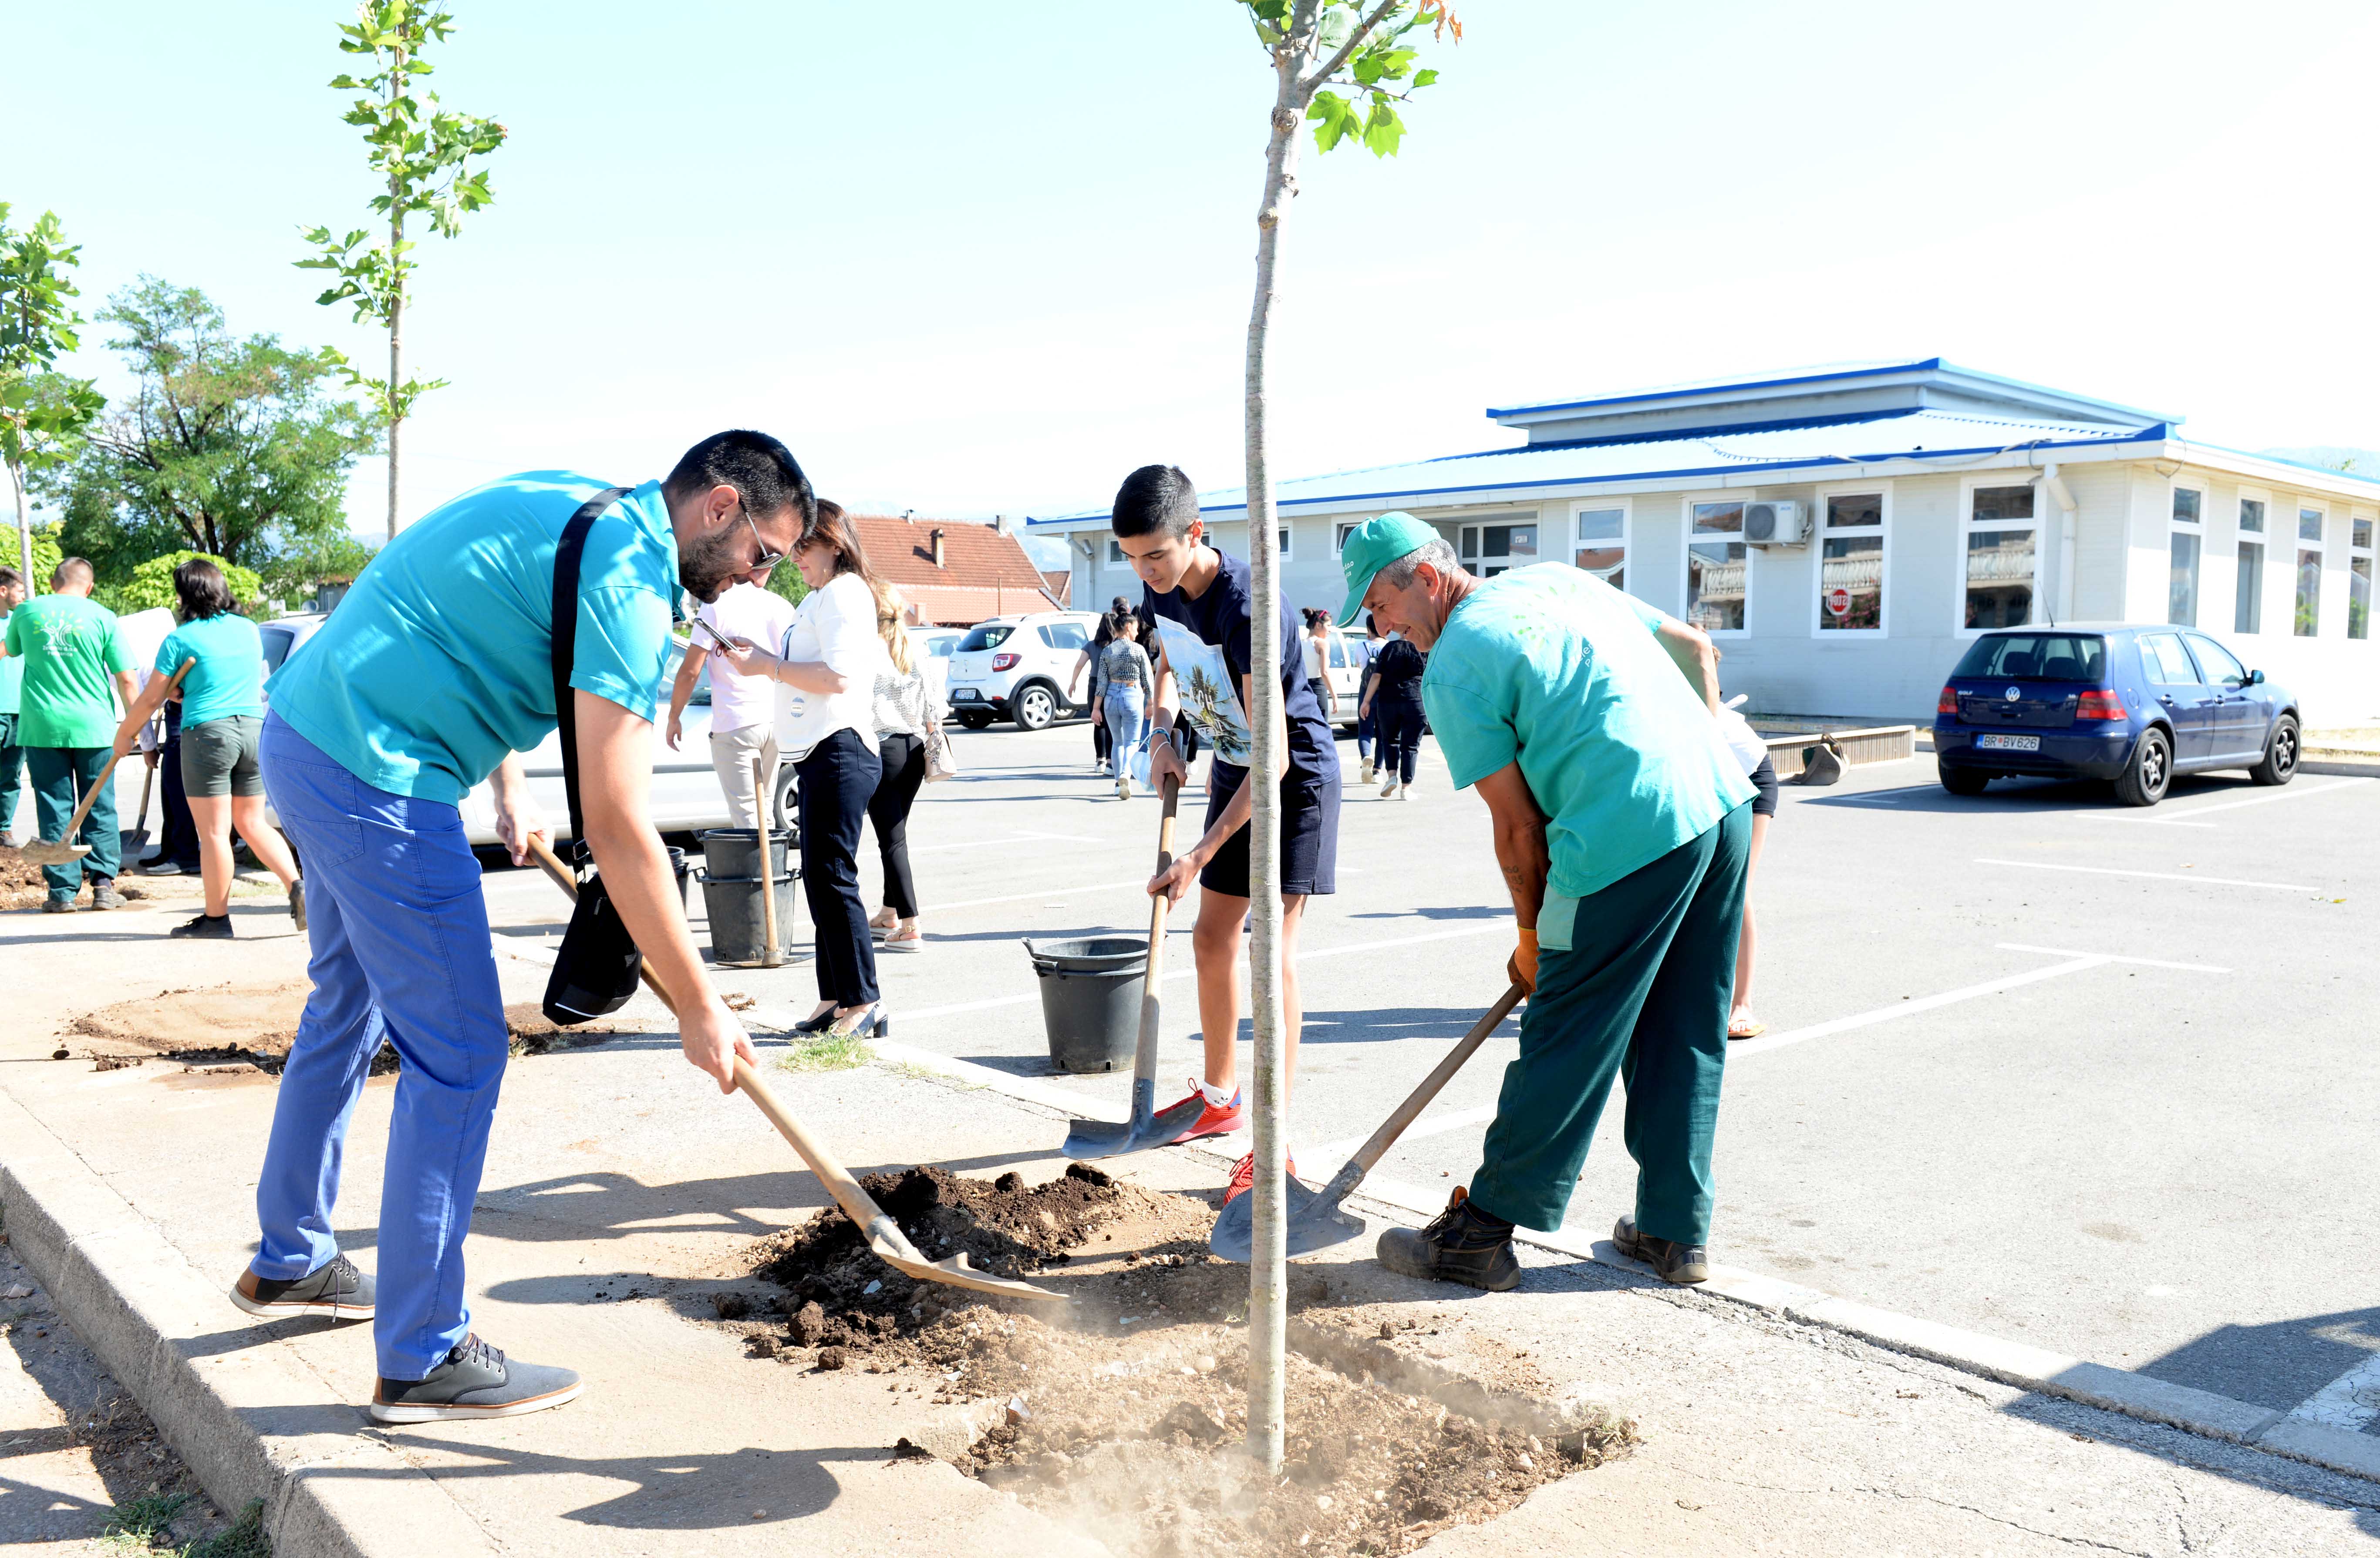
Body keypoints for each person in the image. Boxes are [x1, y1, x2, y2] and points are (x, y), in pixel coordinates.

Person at [239, 435, 802, 1424]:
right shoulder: (627, 586)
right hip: (378, 779)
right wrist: (700, 1003)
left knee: (349, 1002)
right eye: (765, 553)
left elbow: (465, 618)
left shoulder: (580, 504)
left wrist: (505, 787)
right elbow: (622, 826)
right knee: (458, 1053)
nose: (761, 576)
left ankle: (290, 1256)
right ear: (720, 508)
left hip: (306, 734)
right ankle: (424, 1353)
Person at [1342, 512, 1754, 1293]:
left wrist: (1533, 935)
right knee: (1685, 1022)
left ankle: (1479, 1233)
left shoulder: (1456, 662)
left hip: (1626, 829)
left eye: (1381, 604)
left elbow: (1519, 825)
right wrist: (1686, 749)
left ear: (1426, 579)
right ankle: (1674, 1229)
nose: (1381, 625)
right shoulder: (1555, 578)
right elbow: (1695, 645)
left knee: (1569, 1024)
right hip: (1719, 799)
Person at [1110, 465, 1342, 1205]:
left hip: (1290, 775)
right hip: (1233, 764)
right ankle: (1221, 1096)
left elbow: (1271, 755)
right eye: (1132, 556)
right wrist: (1164, 728)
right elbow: (1171, 660)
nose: (1144, 571)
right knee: (1213, 939)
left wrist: (1198, 853)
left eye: (1156, 555)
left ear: (1195, 534)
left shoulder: (1250, 607)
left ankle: (1273, 1144)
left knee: (1272, 955)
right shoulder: (1159, 585)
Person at [720, 501, 894, 1038]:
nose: (794, 558)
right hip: (820, 750)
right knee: (822, 877)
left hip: (840, 747)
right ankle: (835, 997)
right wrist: (762, 661)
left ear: (833, 544)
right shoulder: (822, 598)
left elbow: (839, 677)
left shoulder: (844, 592)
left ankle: (864, 1002)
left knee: (832, 876)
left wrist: (765, 665)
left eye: (802, 547)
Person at [108, 558, 303, 938]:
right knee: (251, 822)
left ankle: (216, 920)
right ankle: (299, 886)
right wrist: (184, 690)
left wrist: (126, 735)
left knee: (214, 832)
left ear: (185, 595)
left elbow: (150, 699)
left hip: (209, 734)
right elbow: (224, 675)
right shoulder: (248, 630)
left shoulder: (182, 638)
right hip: (252, 729)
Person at [0, 558, 137, 911]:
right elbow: (126, 678)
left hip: (42, 727)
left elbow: (10, 650)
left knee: (52, 805)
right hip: (95, 727)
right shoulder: (103, 616)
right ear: (89, 587)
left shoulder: (27, 611)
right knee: (100, 805)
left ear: (51, 581)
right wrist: (135, 726)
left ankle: (62, 894)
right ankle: (104, 887)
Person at [665, 577, 794, 829]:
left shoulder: (716, 605)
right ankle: (771, 868)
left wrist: (674, 717)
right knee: (764, 810)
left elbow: (690, 671)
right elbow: (789, 664)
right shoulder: (782, 606)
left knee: (747, 817)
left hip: (736, 724)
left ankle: (759, 869)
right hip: (774, 720)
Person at [865, 578, 936, 954]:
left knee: (892, 842)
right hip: (914, 750)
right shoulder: (915, 646)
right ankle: (890, 914)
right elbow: (934, 702)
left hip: (882, 748)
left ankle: (910, 925)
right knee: (896, 835)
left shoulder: (868, 650)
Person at [1716, 696, 1777, 1040]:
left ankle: (1743, 1004)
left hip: (1751, 780)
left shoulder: (1692, 668)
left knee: (1739, 890)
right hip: (1712, 782)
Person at [1361, 626, 1426, 799]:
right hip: (1415, 700)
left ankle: (1391, 777)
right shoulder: (1422, 648)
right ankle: (1406, 789)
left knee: (1389, 741)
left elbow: (1376, 676)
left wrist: (1366, 701)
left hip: (1387, 702)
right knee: (1411, 746)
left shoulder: (1389, 648)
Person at [1066, 597, 1127, 775]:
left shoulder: (1091, 645)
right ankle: (1110, 761)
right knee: (1111, 724)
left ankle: (1099, 760)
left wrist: (1073, 682)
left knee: (1097, 722)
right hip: (1113, 685)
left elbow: (1080, 664)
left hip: (1094, 685)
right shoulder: (1117, 646)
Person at [1099, 606, 1154, 800]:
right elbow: (1147, 678)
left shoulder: (1108, 651)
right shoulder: (1138, 649)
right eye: (1136, 628)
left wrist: (1096, 708)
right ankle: (1125, 774)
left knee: (1117, 742)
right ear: (1129, 626)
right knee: (1133, 741)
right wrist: (1151, 702)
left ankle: (1117, 784)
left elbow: (1101, 682)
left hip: (1111, 697)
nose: (1138, 632)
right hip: (1132, 694)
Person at [0, 566, 24, 848]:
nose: (24, 597)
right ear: (4, 591)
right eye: (20, 591)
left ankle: (3, 829)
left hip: (21, 712)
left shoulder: (23, 621)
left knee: (11, 776)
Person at [1349, 614, 1379, 786]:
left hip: (1365, 692)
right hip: (1384, 694)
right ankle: (1377, 772)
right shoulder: (1388, 646)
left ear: (1369, 629)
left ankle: (1366, 756)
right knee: (1383, 735)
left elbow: (1359, 666)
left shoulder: (1361, 646)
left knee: (1365, 732)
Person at [1299, 607, 1338, 726]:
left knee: (1306, 725)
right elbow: (1324, 672)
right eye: (1328, 626)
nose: (1330, 630)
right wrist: (1334, 696)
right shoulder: (1322, 643)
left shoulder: (1300, 643)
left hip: (1302, 687)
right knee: (1321, 724)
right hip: (1318, 687)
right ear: (1318, 625)